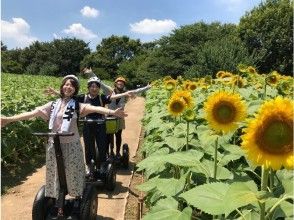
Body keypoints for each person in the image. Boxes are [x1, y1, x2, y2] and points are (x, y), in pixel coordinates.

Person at [1, 75, 127, 215]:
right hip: (54, 145)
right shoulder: (53, 105)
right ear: (62, 87)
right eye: (66, 84)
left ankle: (78, 197)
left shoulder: (78, 105)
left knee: (74, 171)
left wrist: (112, 112)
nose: (68, 87)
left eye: (71, 86)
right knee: (54, 173)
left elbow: (95, 109)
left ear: (75, 90)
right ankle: (55, 198)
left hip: (71, 145)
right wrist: (9, 119)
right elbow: (34, 113)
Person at [75, 77, 134, 174]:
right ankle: (89, 165)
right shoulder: (83, 97)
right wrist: (57, 93)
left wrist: (125, 93)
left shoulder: (101, 97)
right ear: (88, 87)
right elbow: (69, 97)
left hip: (101, 124)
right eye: (92, 86)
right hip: (87, 124)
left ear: (99, 88)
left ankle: (103, 164)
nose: (94, 89)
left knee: (102, 145)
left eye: (96, 87)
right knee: (88, 146)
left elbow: (112, 97)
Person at [107, 76, 151, 159]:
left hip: (120, 117)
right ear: (115, 83)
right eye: (119, 82)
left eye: (122, 82)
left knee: (118, 135)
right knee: (109, 136)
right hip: (110, 117)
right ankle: (111, 152)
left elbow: (136, 91)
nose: (120, 83)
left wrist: (147, 87)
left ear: (124, 84)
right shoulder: (110, 91)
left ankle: (117, 153)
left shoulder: (126, 93)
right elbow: (101, 84)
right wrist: (90, 73)